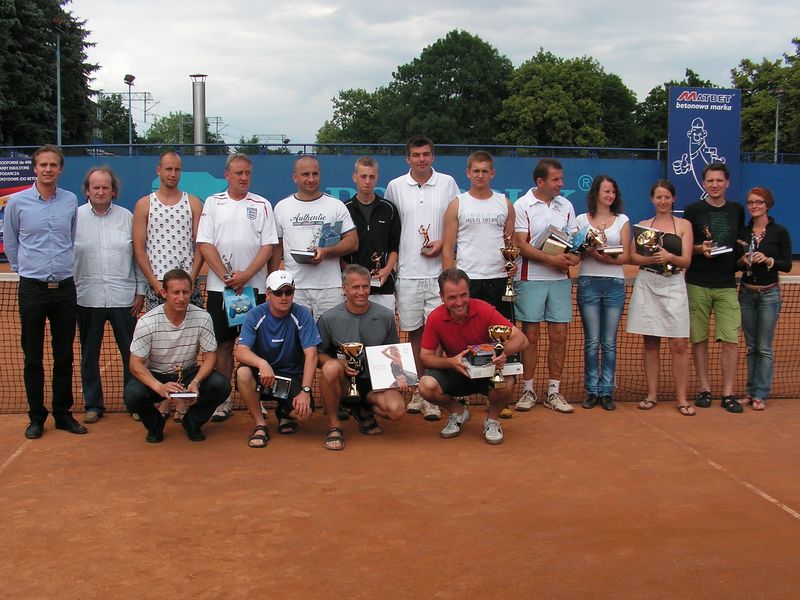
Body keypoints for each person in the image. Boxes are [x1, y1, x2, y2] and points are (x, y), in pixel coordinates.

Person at [3, 144, 86, 439]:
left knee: (64, 356)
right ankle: (36, 417)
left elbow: (70, 238)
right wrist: (26, 270)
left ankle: (63, 414)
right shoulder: (17, 203)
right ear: (35, 168)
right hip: (32, 290)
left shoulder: (70, 200)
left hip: (64, 289)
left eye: (53, 165)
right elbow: (11, 243)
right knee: (33, 358)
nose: (48, 169)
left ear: (60, 169)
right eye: (43, 165)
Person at [197, 153, 277, 423]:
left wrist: (246, 276)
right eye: (238, 173)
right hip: (221, 289)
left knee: (256, 347)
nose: (244, 178)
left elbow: (268, 246)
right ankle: (223, 400)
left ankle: (257, 398)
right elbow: (205, 243)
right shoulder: (213, 202)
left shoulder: (263, 204)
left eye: (247, 173)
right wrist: (226, 275)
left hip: (254, 289)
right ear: (227, 175)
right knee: (222, 344)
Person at [385, 135, 460, 421]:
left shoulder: (448, 183)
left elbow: (456, 222)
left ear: (433, 156)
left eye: (426, 154)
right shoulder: (395, 186)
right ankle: (418, 391)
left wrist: (443, 242)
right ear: (408, 158)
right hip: (407, 273)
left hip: (439, 274)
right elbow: (392, 227)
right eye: (416, 155)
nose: (421, 159)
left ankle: (432, 391)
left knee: (436, 333)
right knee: (414, 333)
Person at [132, 150, 205, 421]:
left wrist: (191, 281)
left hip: (188, 289)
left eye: (177, 169)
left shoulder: (193, 203)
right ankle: (163, 398)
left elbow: (201, 245)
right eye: (168, 169)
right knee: (158, 345)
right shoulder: (144, 205)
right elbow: (139, 249)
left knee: (189, 342)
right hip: (157, 289)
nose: (173, 174)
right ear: (159, 171)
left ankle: (183, 399)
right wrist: (156, 285)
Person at [417, 268, 528, 444]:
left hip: (487, 370)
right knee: (426, 385)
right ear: (441, 297)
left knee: (507, 382)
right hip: (456, 371)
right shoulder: (435, 317)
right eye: (452, 297)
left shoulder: (484, 309)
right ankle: (458, 412)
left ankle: (492, 420)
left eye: (463, 295)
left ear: (469, 291)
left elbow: (521, 339)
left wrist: (502, 353)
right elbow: (425, 357)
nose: (459, 302)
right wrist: (451, 362)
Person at [124, 269, 230, 443]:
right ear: (164, 293)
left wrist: (196, 382)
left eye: (185, 292)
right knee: (132, 394)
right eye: (175, 292)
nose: (181, 298)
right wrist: (159, 387)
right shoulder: (147, 322)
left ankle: (192, 422)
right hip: (157, 375)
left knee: (221, 385)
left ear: (191, 292)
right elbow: (135, 364)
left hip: (188, 373)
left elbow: (211, 357)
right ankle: (155, 425)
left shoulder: (203, 317)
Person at [74, 166, 145, 424]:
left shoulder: (127, 217)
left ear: (113, 191)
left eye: (106, 187)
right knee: (89, 355)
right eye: (96, 187)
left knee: (131, 353)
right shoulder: (75, 218)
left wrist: (140, 290)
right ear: (87, 190)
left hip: (124, 297)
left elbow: (138, 257)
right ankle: (93, 404)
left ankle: (133, 402)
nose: (101, 191)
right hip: (86, 298)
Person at [512, 158, 580, 414]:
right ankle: (528, 390)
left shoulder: (566, 205)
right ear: (540, 182)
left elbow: (575, 241)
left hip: (560, 280)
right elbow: (520, 244)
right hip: (530, 279)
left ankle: (553, 391)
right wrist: (552, 260)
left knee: (559, 336)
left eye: (561, 179)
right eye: (555, 180)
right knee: (530, 337)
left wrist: (574, 257)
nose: (560, 184)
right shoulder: (522, 205)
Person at [317, 265, 407, 451]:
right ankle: (334, 425)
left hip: (375, 384)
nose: (361, 292)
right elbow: (318, 355)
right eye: (355, 287)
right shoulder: (328, 318)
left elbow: (394, 352)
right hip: (344, 383)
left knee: (397, 410)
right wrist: (339, 363)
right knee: (330, 368)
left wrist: (400, 376)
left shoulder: (385, 316)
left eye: (365, 286)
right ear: (344, 289)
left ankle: (362, 409)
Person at [625, 180, 695, 415]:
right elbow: (632, 257)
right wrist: (652, 259)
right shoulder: (644, 226)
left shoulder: (684, 225)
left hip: (674, 284)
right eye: (658, 197)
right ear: (652, 199)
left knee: (678, 344)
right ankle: (652, 395)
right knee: (650, 342)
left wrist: (670, 257)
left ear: (673, 199)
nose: (663, 201)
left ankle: (682, 399)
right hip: (648, 283)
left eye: (667, 197)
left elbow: (686, 261)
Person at [683, 163, 745, 413]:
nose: (715, 185)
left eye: (719, 180)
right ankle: (704, 389)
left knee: (730, 340)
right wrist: (700, 249)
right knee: (699, 339)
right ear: (704, 183)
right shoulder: (693, 210)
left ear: (727, 183)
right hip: (697, 283)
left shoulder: (737, 211)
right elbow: (686, 246)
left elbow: (740, 244)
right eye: (710, 181)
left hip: (727, 284)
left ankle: (728, 393)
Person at [234, 270, 320, 448]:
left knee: (304, 413)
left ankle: (284, 411)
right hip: (263, 377)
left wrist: (305, 391)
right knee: (243, 372)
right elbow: (241, 352)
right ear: (268, 294)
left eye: (288, 292)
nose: (284, 297)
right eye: (278, 292)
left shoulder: (302, 314)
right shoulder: (254, 314)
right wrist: (262, 363)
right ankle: (260, 424)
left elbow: (311, 354)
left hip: (291, 377)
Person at [269, 155, 358, 319]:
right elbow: (277, 248)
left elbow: (353, 241)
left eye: (315, 174)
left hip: (329, 288)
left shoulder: (335, 205)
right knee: (295, 334)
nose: (311, 179)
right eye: (305, 174)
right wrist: (271, 281)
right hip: (294, 288)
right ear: (295, 177)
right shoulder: (282, 207)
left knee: (330, 335)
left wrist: (326, 251)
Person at [575, 175, 630, 411]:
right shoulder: (581, 220)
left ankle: (606, 391)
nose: (610, 195)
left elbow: (626, 256)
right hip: (588, 282)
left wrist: (604, 257)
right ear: (596, 193)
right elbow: (575, 253)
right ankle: (591, 390)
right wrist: (589, 249)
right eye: (606, 191)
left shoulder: (623, 220)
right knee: (591, 341)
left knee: (609, 342)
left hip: (615, 284)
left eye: (613, 192)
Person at [736, 187, 792, 411]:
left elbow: (786, 265)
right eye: (751, 202)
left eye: (759, 202)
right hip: (746, 294)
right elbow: (735, 263)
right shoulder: (743, 232)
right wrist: (742, 261)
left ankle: (761, 393)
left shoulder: (779, 232)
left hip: (769, 294)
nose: (754, 206)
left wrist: (768, 260)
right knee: (751, 347)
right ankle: (750, 392)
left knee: (764, 347)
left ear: (767, 204)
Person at [342, 156, 401, 312]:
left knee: (384, 326)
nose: (367, 181)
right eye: (363, 176)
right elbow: (339, 249)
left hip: (383, 285)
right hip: (354, 286)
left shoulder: (389, 209)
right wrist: (353, 274)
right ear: (355, 177)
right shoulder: (343, 209)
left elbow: (394, 247)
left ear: (377, 178)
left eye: (371, 177)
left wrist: (387, 270)